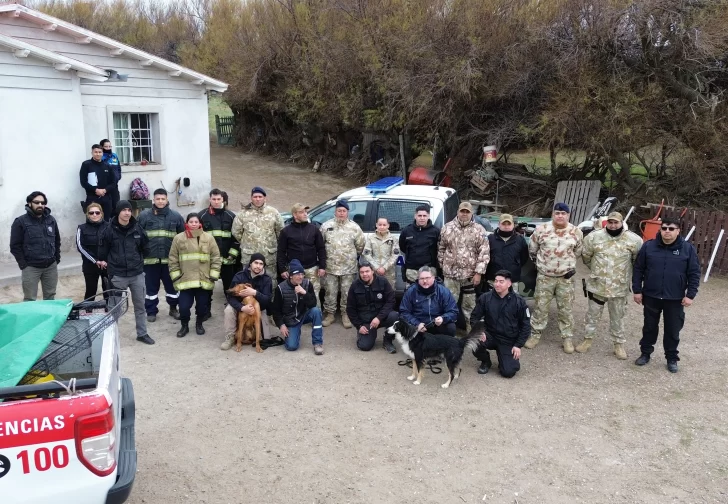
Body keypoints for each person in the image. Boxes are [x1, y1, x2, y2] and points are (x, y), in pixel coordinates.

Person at [632, 217, 700, 373]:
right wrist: (637, 290)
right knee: (649, 327)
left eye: (671, 228)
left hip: (675, 298)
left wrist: (690, 295)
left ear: (678, 231)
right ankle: (645, 353)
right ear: (660, 230)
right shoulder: (649, 247)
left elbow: (694, 273)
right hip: (651, 296)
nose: (667, 231)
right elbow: (638, 270)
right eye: (664, 228)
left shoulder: (687, 249)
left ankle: (671, 358)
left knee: (672, 329)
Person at [576, 211, 643, 359]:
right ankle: (587, 340)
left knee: (618, 317)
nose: (613, 225)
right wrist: (597, 271)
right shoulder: (594, 237)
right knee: (592, 315)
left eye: (616, 222)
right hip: (597, 285)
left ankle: (618, 344)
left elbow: (637, 262)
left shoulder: (634, 240)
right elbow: (586, 256)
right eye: (610, 222)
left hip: (619, 287)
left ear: (621, 223)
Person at [524, 203, 583, 353]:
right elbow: (532, 250)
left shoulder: (576, 232)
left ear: (568, 215)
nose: (560, 216)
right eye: (557, 213)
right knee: (540, 307)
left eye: (563, 213)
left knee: (566, 309)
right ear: (553, 214)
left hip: (565, 278)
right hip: (545, 277)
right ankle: (535, 334)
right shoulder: (541, 230)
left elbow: (577, 251)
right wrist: (543, 265)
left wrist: (565, 265)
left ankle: (567, 338)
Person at [98, 200, 154, 344]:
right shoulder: (108, 230)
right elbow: (102, 252)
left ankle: (142, 334)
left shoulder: (137, 229)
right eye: (124, 210)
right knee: (114, 308)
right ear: (118, 212)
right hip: (117, 276)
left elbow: (146, 248)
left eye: (129, 210)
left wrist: (138, 263)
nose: (127, 213)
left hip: (137, 275)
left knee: (140, 306)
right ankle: (111, 337)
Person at [438, 201, 490, 332]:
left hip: (470, 276)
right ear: (458, 212)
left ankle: (470, 332)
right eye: (462, 211)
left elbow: (484, 252)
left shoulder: (479, 230)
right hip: (451, 276)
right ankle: (449, 332)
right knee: (448, 304)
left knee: (470, 306)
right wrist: (444, 267)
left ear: (471, 213)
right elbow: (441, 249)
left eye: (467, 212)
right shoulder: (447, 228)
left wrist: (478, 273)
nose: (464, 214)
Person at [168, 213, 221, 337]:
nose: (194, 224)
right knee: (184, 307)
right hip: (185, 280)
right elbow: (173, 259)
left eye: (196, 222)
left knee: (202, 307)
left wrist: (213, 275)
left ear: (200, 223)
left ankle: (199, 324)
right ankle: (184, 326)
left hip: (203, 280)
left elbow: (216, 257)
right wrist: (176, 277)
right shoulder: (179, 238)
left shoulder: (208, 238)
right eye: (191, 222)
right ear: (187, 223)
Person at [469, 270, 530, 378]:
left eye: (501, 281)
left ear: (509, 284)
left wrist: (518, 345)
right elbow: (474, 317)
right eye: (496, 281)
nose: (497, 284)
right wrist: (479, 332)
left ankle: (504, 357)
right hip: (489, 335)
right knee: (475, 341)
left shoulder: (519, 302)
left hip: (508, 339)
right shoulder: (485, 298)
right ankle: (485, 361)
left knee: (508, 372)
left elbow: (526, 325)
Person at [138, 188, 185, 322]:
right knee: (150, 289)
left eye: (163, 199)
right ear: (154, 199)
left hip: (170, 262)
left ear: (167, 200)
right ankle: (151, 311)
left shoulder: (175, 216)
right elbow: (137, 237)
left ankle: (173, 308)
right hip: (149, 262)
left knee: (172, 287)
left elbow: (182, 238)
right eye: (158, 199)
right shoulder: (144, 216)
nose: (160, 201)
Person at [320, 200, 365, 328]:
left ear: (347, 212)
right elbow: (320, 245)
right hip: (330, 266)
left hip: (348, 267)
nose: (341, 213)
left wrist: (348, 256)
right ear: (335, 211)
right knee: (330, 292)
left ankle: (346, 314)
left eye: (344, 211)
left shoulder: (354, 227)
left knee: (347, 292)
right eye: (339, 211)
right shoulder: (326, 226)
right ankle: (330, 314)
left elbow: (360, 246)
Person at [10, 191, 61, 301]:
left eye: (42, 203)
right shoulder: (20, 221)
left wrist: (57, 258)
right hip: (31, 267)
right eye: (36, 202)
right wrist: (23, 264)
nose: (40, 205)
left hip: (50, 266)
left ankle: (49, 317)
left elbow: (57, 240)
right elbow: (15, 246)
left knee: (50, 297)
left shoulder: (51, 220)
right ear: (29, 203)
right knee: (30, 299)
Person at [277, 203, 326, 305]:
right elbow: (281, 251)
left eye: (306, 212)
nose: (305, 214)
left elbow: (321, 249)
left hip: (312, 269)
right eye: (302, 212)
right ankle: (298, 318)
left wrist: (322, 266)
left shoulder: (314, 229)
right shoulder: (286, 231)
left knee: (314, 296)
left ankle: (316, 318)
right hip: (294, 271)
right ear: (295, 215)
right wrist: (282, 269)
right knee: (295, 297)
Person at [271, 259, 324, 354]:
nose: (301, 277)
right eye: (297, 274)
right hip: (290, 319)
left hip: (303, 314)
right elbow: (276, 310)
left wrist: (304, 293)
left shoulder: (307, 284)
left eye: (302, 274)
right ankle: (294, 332)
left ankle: (317, 343)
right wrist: (281, 325)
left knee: (316, 311)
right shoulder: (280, 288)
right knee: (291, 346)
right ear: (290, 276)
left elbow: (313, 304)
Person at [222, 253, 273, 351]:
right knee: (228, 310)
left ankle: (257, 338)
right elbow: (230, 296)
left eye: (261, 264)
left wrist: (255, 293)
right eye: (256, 263)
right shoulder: (240, 276)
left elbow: (267, 300)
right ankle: (230, 337)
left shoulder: (267, 279)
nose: (258, 266)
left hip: (259, 308)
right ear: (250, 263)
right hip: (240, 306)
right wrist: (242, 307)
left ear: (263, 266)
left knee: (266, 339)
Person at [232, 186, 284, 282]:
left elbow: (280, 232)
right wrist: (248, 242)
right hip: (249, 255)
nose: (257, 199)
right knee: (248, 281)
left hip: (268, 256)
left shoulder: (273, 212)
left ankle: (269, 298)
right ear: (251, 198)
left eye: (260, 197)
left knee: (270, 281)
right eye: (255, 197)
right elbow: (236, 232)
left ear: (265, 198)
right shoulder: (243, 214)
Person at [346, 261, 399, 352]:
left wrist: (379, 318)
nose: (365, 274)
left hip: (381, 317)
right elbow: (350, 308)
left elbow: (391, 301)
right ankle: (366, 335)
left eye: (367, 271)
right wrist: (359, 326)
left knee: (394, 316)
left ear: (372, 271)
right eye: (362, 272)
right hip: (366, 321)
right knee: (364, 346)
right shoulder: (355, 285)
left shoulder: (383, 281)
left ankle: (387, 340)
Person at [199, 188, 239, 293]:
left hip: (227, 260)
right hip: (209, 260)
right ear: (210, 200)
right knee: (206, 287)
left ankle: (231, 306)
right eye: (214, 199)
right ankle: (205, 308)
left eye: (218, 199)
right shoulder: (202, 216)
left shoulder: (231, 216)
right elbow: (198, 238)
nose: (216, 202)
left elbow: (237, 238)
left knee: (229, 287)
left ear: (223, 200)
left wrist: (232, 254)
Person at [399, 266, 459, 336]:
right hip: (418, 325)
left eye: (427, 278)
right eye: (421, 278)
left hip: (437, 324)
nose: (424, 281)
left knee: (451, 327)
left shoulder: (443, 291)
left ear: (433, 278)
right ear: (418, 279)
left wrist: (443, 318)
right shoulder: (411, 291)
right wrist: (416, 323)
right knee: (400, 322)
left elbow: (453, 311)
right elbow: (404, 312)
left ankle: (444, 344)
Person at [485, 214, 529, 293]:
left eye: (509, 224)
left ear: (513, 225)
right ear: (499, 224)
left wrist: (515, 264)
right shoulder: (490, 239)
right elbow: (484, 256)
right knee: (493, 303)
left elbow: (524, 257)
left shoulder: (520, 240)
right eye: (503, 224)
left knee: (512, 303)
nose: (506, 226)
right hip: (494, 279)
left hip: (512, 280)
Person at [399, 205, 440, 285]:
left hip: (429, 270)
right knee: (411, 294)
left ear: (428, 216)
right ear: (415, 216)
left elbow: (439, 249)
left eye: (424, 216)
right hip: (412, 270)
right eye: (419, 215)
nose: (422, 218)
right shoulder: (407, 231)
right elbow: (403, 247)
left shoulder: (435, 231)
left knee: (429, 295)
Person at [76, 202, 110, 300]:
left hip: (107, 264)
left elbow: (113, 245)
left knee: (108, 291)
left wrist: (106, 261)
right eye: (91, 213)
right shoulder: (81, 228)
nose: (94, 215)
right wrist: (95, 261)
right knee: (91, 291)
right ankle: (88, 313)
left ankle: (110, 313)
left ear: (101, 213)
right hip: (90, 265)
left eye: (97, 212)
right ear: (87, 214)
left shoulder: (109, 226)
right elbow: (80, 246)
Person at [79, 144, 115, 219]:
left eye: (100, 152)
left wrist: (105, 190)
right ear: (92, 153)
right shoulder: (86, 165)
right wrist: (95, 190)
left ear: (102, 153)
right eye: (95, 152)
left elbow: (113, 182)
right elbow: (83, 182)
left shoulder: (107, 166)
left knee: (106, 222)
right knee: (92, 220)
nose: (98, 154)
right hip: (92, 198)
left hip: (106, 198)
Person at [362, 217, 399, 287]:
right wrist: (376, 267)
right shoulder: (371, 238)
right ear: (376, 225)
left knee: (389, 293)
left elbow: (395, 255)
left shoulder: (393, 238)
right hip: (374, 270)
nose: (382, 227)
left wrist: (384, 267)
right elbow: (367, 254)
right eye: (380, 224)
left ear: (388, 225)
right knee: (374, 291)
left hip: (389, 271)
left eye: (384, 225)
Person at [100, 139, 121, 211]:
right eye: (106, 147)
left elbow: (118, 167)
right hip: (105, 186)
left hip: (114, 185)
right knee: (107, 208)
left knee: (116, 205)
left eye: (110, 146)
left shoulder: (114, 156)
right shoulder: (101, 157)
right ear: (102, 147)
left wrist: (118, 176)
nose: (108, 148)